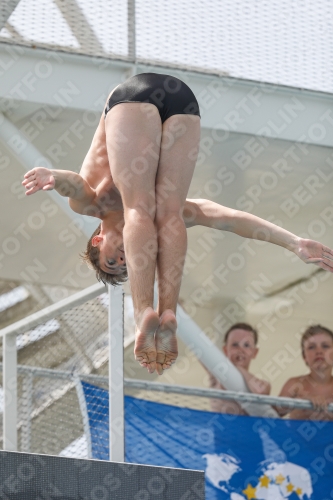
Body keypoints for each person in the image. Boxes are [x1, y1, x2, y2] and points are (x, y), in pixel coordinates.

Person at [22, 74, 333, 376]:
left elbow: (74, 186)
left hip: (131, 97)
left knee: (138, 209)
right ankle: (167, 312)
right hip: (182, 100)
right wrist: (293, 242)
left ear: (97, 240)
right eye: (125, 264)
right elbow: (225, 218)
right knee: (168, 214)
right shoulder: (153, 226)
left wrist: (55, 176)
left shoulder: (90, 205)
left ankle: (144, 311)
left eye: (112, 260)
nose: (122, 259)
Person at [206, 323, 270, 415]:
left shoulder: (265, 385)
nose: (240, 349)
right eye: (235, 344)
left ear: (254, 352)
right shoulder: (216, 378)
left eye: (246, 345)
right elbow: (195, 343)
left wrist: (238, 368)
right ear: (225, 350)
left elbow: (260, 391)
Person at [277, 325, 333, 421]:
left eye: (325, 346)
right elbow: (272, 414)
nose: (319, 351)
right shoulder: (294, 385)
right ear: (304, 357)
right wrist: (300, 403)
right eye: (311, 347)